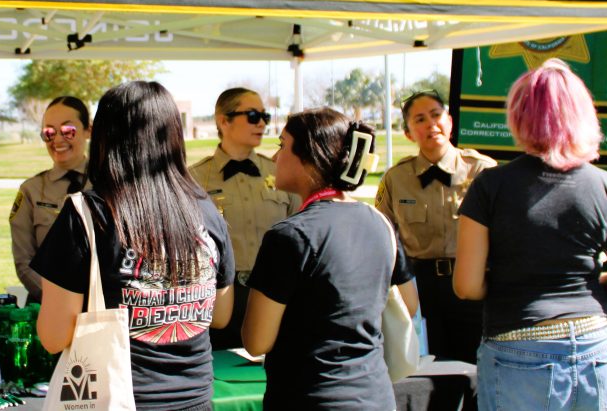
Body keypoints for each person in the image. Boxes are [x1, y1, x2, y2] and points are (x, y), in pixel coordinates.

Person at [454, 59, 607, 411]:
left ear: (518, 115)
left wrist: (514, 281)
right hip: (597, 347)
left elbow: (466, 285)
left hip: (518, 347)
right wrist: (589, 280)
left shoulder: (490, 187)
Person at [32, 81, 234, 411]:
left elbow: (53, 337)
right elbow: (220, 314)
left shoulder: (86, 215)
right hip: (195, 398)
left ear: (104, 137)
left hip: (120, 398)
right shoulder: (207, 209)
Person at [243, 108, 416, 409]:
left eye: (282, 145)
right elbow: (409, 304)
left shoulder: (290, 236)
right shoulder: (379, 222)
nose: (275, 158)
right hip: (374, 393)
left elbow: (257, 341)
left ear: (310, 155)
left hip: (311, 397)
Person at [374, 89, 495, 363]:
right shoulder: (396, 179)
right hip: (420, 290)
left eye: (436, 115)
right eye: (419, 119)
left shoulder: (482, 171)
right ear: (408, 133)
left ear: (450, 122)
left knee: (477, 367)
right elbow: (382, 236)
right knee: (428, 368)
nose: (431, 124)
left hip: (472, 283)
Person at [188, 87, 298, 348]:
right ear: (223, 121)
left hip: (275, 295)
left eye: (264, 116)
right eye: (251, 115)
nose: (261, 122)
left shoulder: (283, 174)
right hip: (219, 297)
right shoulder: (192, 179)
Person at [10, 96, 91, 303]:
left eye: (68, 131)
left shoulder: (111, 184)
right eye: (49, 132)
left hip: (104, 311)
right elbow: (24, 261)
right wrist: (60, 303)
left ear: (88, 130)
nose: (57, 139)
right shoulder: (31, 191)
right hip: (50, 308)